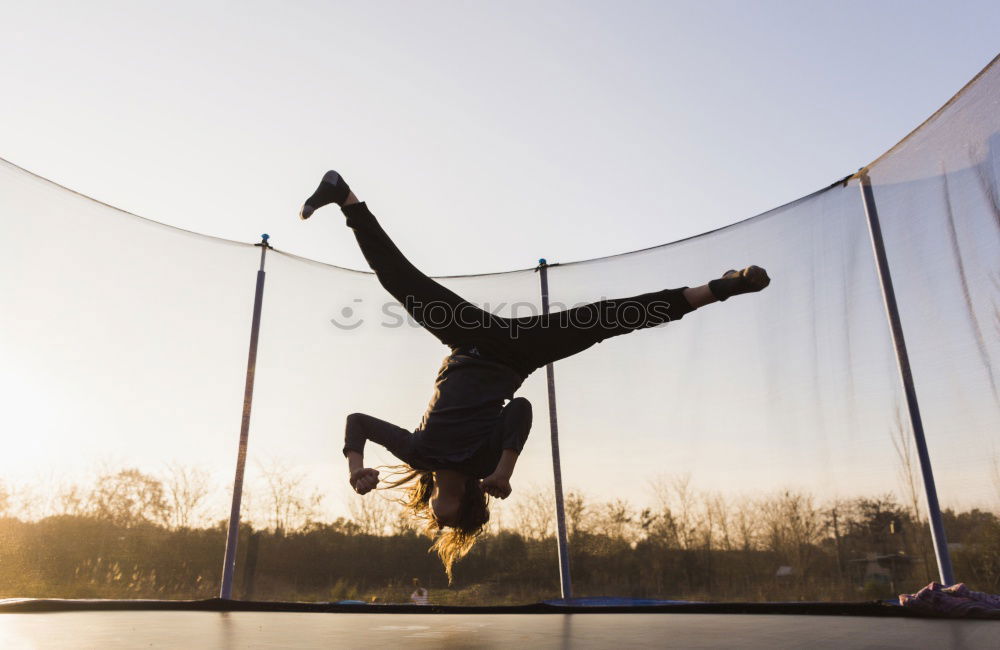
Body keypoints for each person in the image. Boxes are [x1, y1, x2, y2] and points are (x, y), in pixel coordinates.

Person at [300, 170, 771, 580]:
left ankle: (346, 198)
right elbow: (521, 409)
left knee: (400, 280)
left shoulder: (418, 453)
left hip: (467, 339)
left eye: (436, 521)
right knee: (609, 319)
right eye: (448, 523)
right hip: (516, 356)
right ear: (464, 509)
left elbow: (358, 420)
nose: (436, 519)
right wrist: (505, 471)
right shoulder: (482, 464)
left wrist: (356, 466)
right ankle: (721, 288)